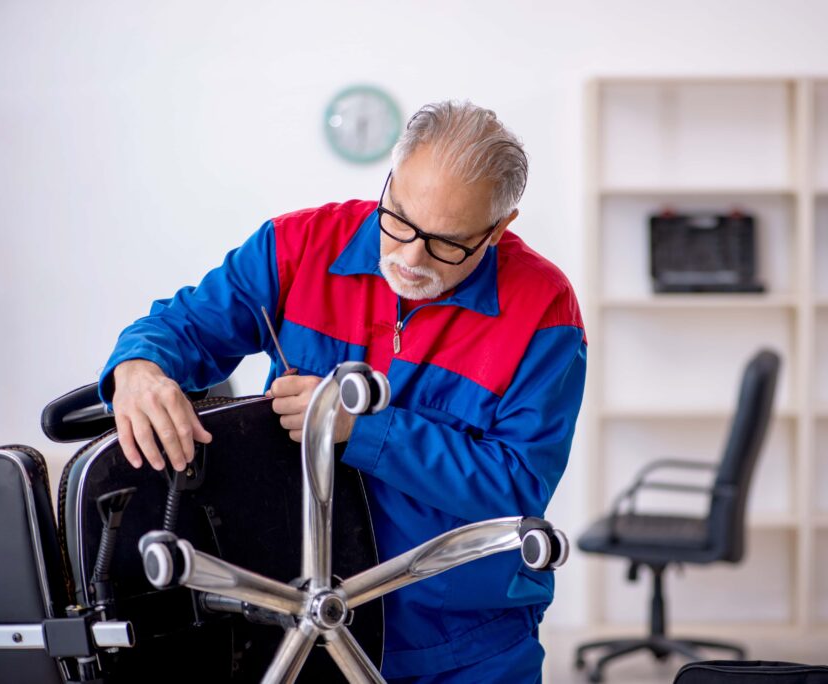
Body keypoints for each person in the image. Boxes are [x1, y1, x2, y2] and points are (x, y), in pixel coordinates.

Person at [99, 100, 587, 682]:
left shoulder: (544, 310)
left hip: (464, 641)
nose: (409, 258)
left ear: (499, 227)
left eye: (447, 244)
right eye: (399, 219)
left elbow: (517, 484)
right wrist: (139, 368)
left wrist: (359, 429)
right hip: (298, 615)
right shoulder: (298, 245)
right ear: (389, 179)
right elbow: (178, 328)